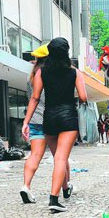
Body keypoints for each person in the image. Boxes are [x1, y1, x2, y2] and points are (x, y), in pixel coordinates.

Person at [27, 37, 87, 213]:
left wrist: (26, 121)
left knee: (56, 158)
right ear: (66, 52)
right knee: (61, 158)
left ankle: (64, 190)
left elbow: (35, 98)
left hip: (49, 118)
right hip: (68, 117)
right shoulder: (74, 72)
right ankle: (54, 199)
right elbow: (83, 97)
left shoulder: (41, 72)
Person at [20, 45, 70, 204]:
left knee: (35, 155)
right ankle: (65, 187)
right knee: (61, 157)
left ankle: (26, 186)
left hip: (35, 120)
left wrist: (26, 122)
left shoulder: (31, 77)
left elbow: (32, 100)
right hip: (52, 119)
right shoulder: (54, 76)